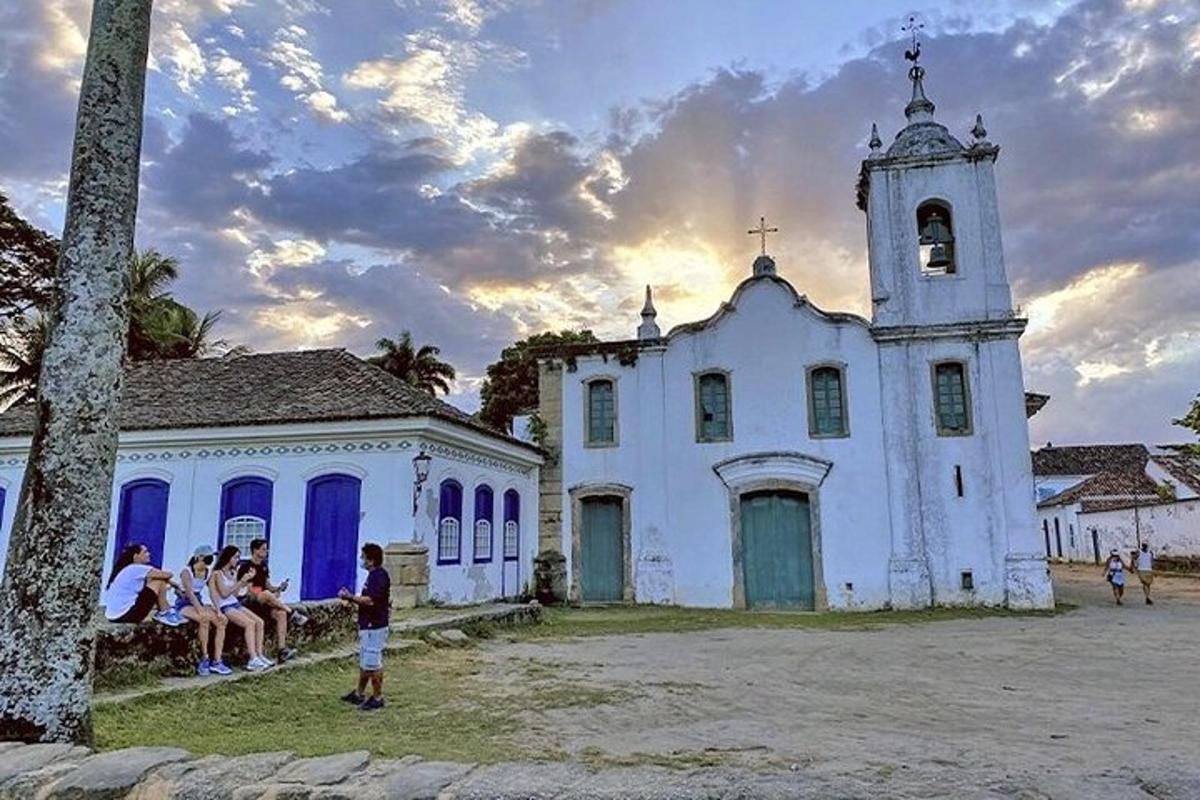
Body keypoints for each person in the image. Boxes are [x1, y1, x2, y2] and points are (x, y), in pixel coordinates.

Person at [236, 538, 308, 663]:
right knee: (265, 594)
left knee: (281, 613)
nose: (266, 551)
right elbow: (249, 589)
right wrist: (266, 594)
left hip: (264, 599)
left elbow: (268, 585)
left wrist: (279, 588)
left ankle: (282, 650)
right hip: (249, 601)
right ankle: (292, 612)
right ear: (255, 550)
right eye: (263, 549)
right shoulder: (245, 566)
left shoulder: (264, 566)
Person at [339, 543, 391, 711]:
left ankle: (377, 697)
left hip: (374, 625)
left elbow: (370, 600)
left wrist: (350, 597)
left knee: (373, 661)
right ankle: (359, 693)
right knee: (365, 661)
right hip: (368, 624)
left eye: (363, 557)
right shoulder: (373, 575)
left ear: (371, 560)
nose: (361, 560)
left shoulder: (379, 577)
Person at [208, 545, 273, 672]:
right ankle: (252, 658)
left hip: (235, 603)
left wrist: (244, 581)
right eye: (235, 557)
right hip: (225, 606)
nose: (237, 559)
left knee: (260, 622)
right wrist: (240, 581)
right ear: (228, 557)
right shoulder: (217, 574)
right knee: (249, 624)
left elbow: (235, 593)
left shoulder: (232, 573)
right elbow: (224, 593)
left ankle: (259, 655)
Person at [173, 545, 231, 676]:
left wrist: (218, 610)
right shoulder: (186, 572)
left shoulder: (207, 572)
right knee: (203, 619)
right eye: (208, 558)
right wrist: (200, 610)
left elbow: (212, 592)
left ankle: (217, 659)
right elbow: (189, 593)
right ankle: (204, 657)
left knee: (221, 621)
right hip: (184, 603)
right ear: (199, 557)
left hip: (198, 601)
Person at [104, 543, 185, 626]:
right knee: (158, 581)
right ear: (136, 556)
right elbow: (168, 574)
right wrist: (175, 586)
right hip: (126, 615)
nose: (149, 554)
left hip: (113, 616)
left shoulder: (126, 570)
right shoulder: (136, 568)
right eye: (145, 552)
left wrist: (174, 585)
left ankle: (166, 610)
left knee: (155, 580)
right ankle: (164, 612)